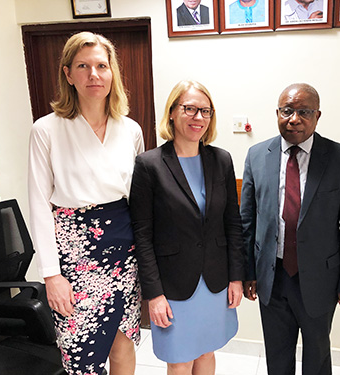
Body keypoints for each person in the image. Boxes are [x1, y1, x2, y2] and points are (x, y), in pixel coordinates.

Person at [28, 32, 143, 375]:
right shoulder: (46, 130)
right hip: (74, 256)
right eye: (83, 66)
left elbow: (140, 199)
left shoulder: (131, 130)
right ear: (68, 74)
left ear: (112, 74)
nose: (93, 74)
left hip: (124, 250)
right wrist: (51, 275)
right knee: (81, 356)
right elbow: (37, 204)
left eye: (101, 66)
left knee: (123, 342)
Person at [241, 83, 340, 375]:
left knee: (317, 354)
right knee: (277, 353)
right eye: (287, 111)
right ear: (277, 113)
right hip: (273, 275)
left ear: (317, 116)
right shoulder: (257, 155)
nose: (294, 118)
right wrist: (247, 272)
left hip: (321, 278)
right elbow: (247, 221)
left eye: (304, 112)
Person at [129, 80, 245, 375]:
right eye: (190, 109)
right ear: (171, 113)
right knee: (179, 360)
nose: (198, 118)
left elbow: (232, 223)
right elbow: (142, 235)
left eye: (205, 111)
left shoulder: (221, 160)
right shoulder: (149, 165)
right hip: (174, 286)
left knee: (207, 351)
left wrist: (236, 277)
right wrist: (153, 294)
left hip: (215, 280)